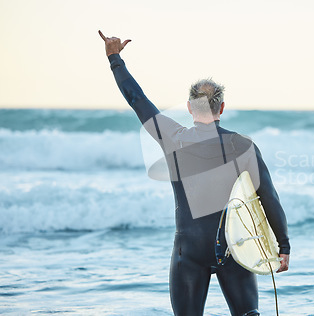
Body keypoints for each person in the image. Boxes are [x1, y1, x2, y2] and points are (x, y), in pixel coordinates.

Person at [99, 30, 290, 316]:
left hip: (188, 252)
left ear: (189, 107)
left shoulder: (173, 138)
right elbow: (269, 198)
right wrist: (283, 245)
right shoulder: (243, 146)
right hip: (234, 249)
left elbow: (136, 99)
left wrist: (115, 58)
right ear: (222, 107)